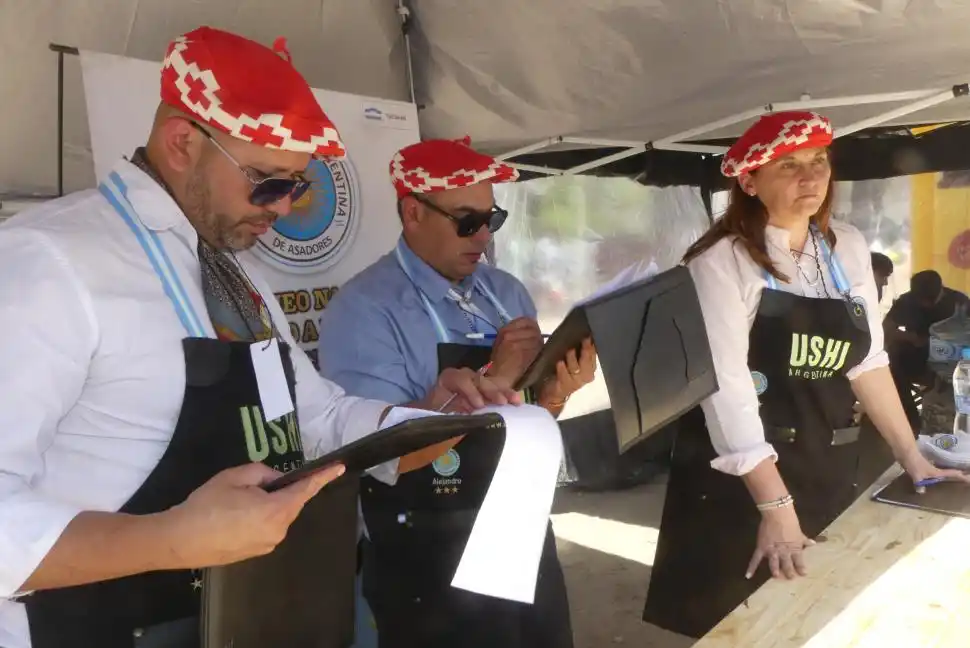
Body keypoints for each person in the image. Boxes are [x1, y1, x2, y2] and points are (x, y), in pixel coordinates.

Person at [0, 28, 516, 648]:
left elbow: (316, 419)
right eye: (268, 182)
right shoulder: (50, 262)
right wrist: (172, 538)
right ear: (183, 143)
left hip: (245, 618)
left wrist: (434, 419)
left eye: (297, 186)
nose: (284, 207)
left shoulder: (235, 273)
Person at [641, 111, 969, 640]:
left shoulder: (846, 246)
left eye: (818, 162)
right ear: (749, 181)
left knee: (821, 617)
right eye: (789, 166)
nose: (811, 178)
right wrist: (775, 506)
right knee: (744, 625)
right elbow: (725, 387)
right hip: (745, 473)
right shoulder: (720, 262)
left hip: (827, 458)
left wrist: (914, 459)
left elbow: (868, 361)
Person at [317, 137, 597, 648]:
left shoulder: (506, 291)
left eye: (493, 219)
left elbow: (529, 416)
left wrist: (557, 392)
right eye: (467, 221)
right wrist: (501, 377)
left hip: (521, 523)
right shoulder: (363, 309)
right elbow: (379, 454)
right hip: (426, 548)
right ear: (412, 213)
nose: (483, 236)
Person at [884, 269, 970, 429]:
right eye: (921, 301)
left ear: (941, 290)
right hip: (916, 356)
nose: (925, 305)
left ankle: (954, 421)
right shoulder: (907, 301)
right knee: (891, 361)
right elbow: (887, 328)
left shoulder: (960, 302)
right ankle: (910, 420)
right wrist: (911, 338)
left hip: (950, 360)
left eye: (930, 300)